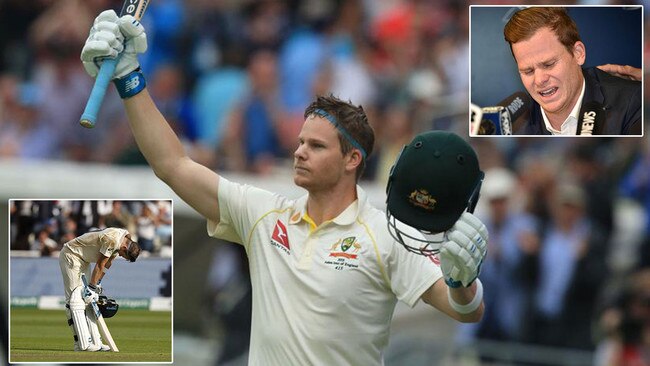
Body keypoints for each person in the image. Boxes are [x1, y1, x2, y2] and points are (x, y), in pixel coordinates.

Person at [80, 11, 488, 365]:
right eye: (299, 142)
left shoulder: (384, 236)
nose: (299, 152)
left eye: (315, 146)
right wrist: (129, 77)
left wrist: (462, 281)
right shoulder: (263, 214)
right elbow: (172, 165)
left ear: (353, 160)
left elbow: (465, 311)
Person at [504, 7, 641, 135]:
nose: (539, 80)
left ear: (578, 53)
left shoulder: (633, 102)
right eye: (528, 71)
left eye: (549, 64)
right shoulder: (512, 126)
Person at [58, 227, 140, 351]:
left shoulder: (125, 238)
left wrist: (97, 284)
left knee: (88, 300)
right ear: (124, 248)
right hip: (71, 254)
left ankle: (96, 342)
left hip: (83, 260)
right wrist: (91, 287)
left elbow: (108, 263)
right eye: (124, 256)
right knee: (75, 299)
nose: (122, 257)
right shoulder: (112, 240)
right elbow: (100, 264)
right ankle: (83, 344)